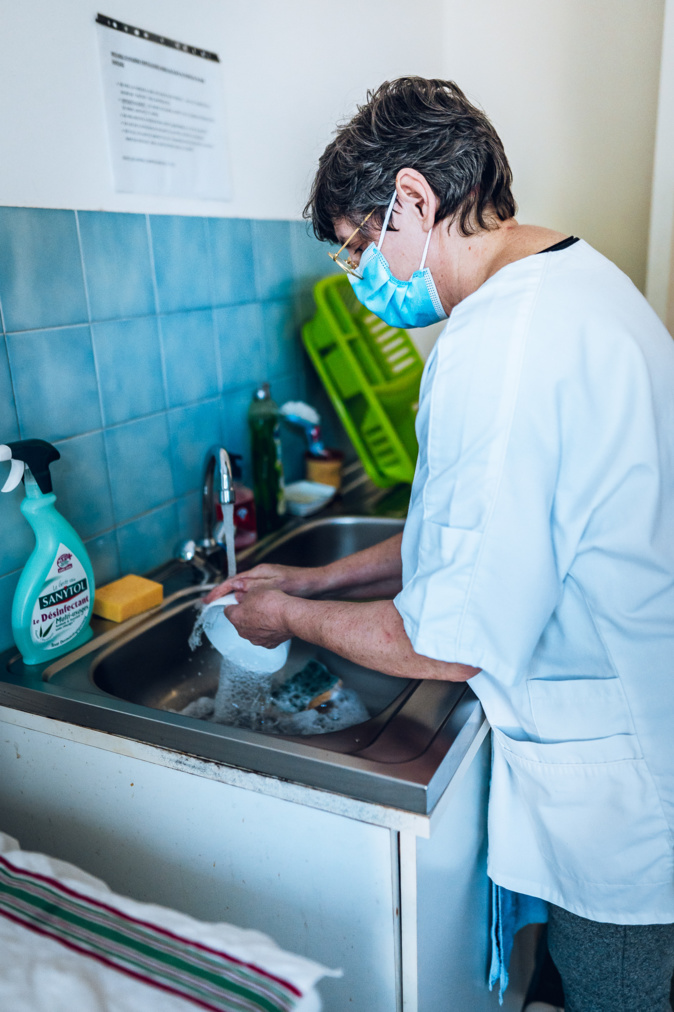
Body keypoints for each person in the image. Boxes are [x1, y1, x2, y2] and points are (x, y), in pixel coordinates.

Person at [205, 78, 674, 1011]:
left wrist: (287, 614)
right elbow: (463, 535)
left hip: (624, 795)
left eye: (356, 247)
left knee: (618, 991)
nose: (359, 278)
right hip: (641, 732)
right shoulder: (573, 281)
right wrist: (319, 574)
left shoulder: (498, 347)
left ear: (413, 202)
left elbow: (444, 642)